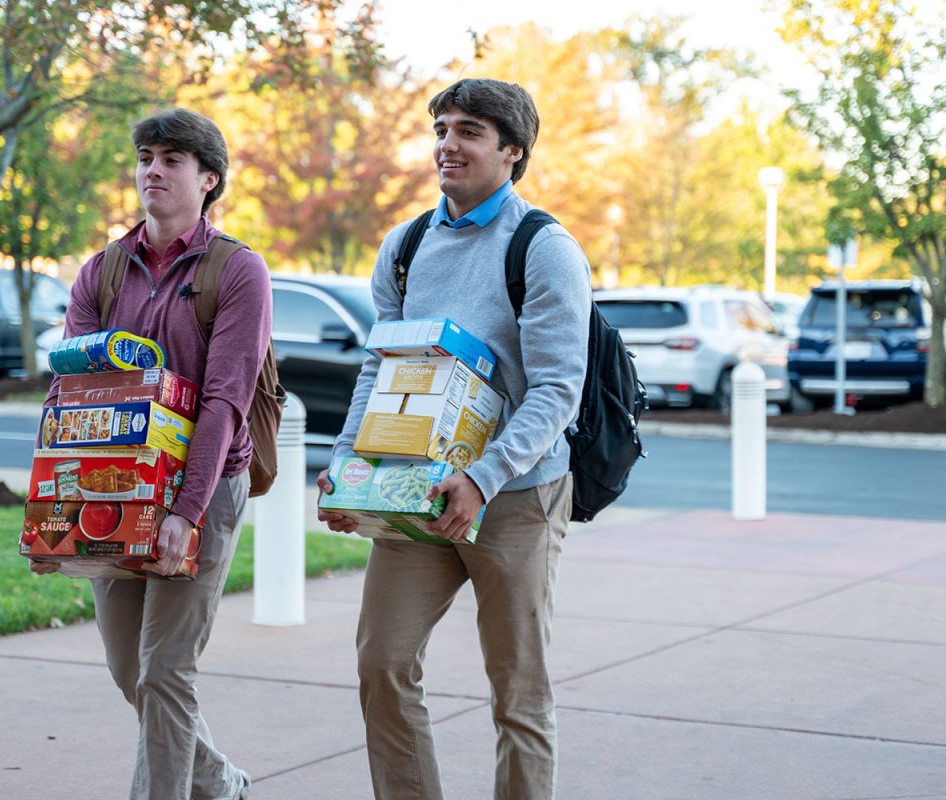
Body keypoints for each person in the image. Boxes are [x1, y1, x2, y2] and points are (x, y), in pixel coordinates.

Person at [317, 78, 591, 799]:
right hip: (417, 491)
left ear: (512, 151)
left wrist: (484, 477)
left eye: (470, 130)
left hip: (518, 495)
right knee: (382, 661)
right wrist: (347, 461)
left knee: (517, 690)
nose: (448, 143)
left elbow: (558, 388)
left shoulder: (544, 247)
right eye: (442, 128)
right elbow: (381, 370)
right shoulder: (405, 246)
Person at [31, 108, 269, 800]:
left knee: (165, 669)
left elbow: (225, 399)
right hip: (113, 485)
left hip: (204, 483)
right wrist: (54, 517)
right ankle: (219, 779)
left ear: (208, 179)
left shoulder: (238, 270)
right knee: (127, 670)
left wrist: (186, 512)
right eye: (145, 157)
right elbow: (69, 400)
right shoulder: (101, 272)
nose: (153, 170)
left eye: (171, 159)